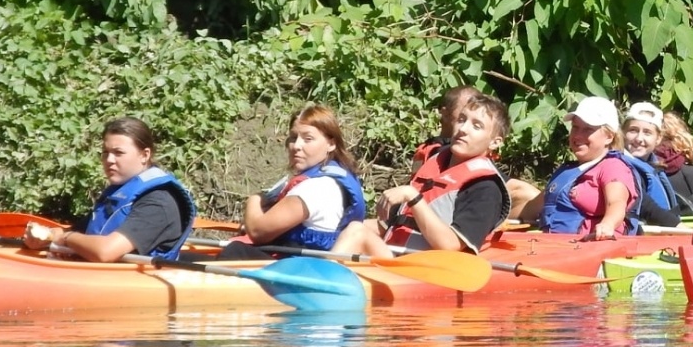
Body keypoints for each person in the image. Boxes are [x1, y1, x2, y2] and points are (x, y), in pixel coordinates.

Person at [22, 117, 196, 262]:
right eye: (105, 152)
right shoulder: (118, 194)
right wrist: (48, 236)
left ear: (144, 155)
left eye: (118, 153)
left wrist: (64, 238)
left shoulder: (159, 202)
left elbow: (105, 252)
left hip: (135, 282)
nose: (109, 160)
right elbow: (77, 234)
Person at [369, 94, 512, 254]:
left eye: (476, 126)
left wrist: (413, 197)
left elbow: (450, 245)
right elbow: (389, 226)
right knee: (354, 228)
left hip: (428, 269)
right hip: (394, 255)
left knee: (356, 233)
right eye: (461, 119)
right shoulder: (434, 162)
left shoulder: (486, 190)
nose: (463, 129)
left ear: (495, 142)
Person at [229, 105, 368, 256]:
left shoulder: (318, 188)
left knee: (235, 250)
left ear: (331, 144)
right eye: (293, 138)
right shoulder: (329, 179)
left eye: (308, 139)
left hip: (298, 268)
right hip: (297, 262)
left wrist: (254, 200)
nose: (296, 146)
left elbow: (257, 232)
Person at [513, 97, 641, 239]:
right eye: (575, 127)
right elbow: (531, 208)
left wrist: (608, 224)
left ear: (609, 137)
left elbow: (616, 203)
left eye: (588, 129)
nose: (578, 135)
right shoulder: (567, 171)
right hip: (554, 248)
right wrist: (496, 219)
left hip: (590, 250)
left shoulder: (613, 167)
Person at [616, 102, 684, 228]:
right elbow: (644, 204)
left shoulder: (652, 164)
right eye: (633, 130)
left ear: (658, 138)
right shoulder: (619, 166)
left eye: (647, 133)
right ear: (623, 133)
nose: (639, 138)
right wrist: (677, 226)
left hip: (663, 232)